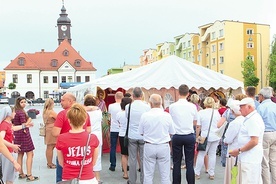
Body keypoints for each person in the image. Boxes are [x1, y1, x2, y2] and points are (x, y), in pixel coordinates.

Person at [52, 92, 91, 183]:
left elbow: (55, 132)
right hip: (81, 147)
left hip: (65, 147)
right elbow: (88, 130)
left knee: (62, 174)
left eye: (62, 100)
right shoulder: (85, 114)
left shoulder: (62, 114)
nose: (61, 102)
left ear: (70, 101)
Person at [56, 103, 99, 184]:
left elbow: (61, 162)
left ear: (69, 121)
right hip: (88, 178)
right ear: (84, 121)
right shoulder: (93, 138)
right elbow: (94, 162)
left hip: (68, 179)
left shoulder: (61, 138)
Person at [139, 94, 175, 184]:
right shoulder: (167, 116)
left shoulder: (145, 115)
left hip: (149, 145)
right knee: (165, 175)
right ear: (161, 103)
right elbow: (172, 132)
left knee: (148, 175)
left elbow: (141, 132)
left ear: (150, 103)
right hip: (163, 145)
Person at [230, 97, 264, 184]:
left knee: (249, 180)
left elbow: (254, 141)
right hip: (249, 158)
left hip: (250, 158)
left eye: (242, 107)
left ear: (249, 107)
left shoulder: (253, 120)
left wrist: (239, 150)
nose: (240, 109)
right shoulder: (251, 118)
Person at [169, 84, 198, 184]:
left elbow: (171, 120)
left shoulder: (172, 106)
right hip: (189, 135)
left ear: (178, 92)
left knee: (176, 162)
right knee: (189, 163)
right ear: (188, 94)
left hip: (177, 135)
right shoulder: (192, 106)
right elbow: (195, 122)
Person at [125, 87, 150, 184]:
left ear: (133, 95)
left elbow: (127, 118)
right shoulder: (147, 106)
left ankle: (132, 180)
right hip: (143, 135)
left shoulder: (128, 106)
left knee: (132, 159)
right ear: (141, 95)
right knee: (144, 159)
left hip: (132, 134)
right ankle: (143, 180)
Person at [12, 96, 39, 182]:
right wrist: (29, 120)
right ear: (18, 103)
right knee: (30, 154)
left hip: (17, 134)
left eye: (24, 102)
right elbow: (25, 125)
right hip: (24, 134)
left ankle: (21, 173)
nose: (24, 104)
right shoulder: (21, 113)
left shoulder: (15, 111)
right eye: (22, 102)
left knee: (20, 154)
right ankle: (29, 175)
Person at [0, 106, 28, 184]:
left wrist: (24, 126)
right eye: (14, 112)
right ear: (9, 113)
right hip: (6, 153)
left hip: (9, 151)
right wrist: (12, 146)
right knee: (9, 177)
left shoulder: (8, 123)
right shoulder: (4, 125)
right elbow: (1, 140)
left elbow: (13, 128)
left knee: (10, 175)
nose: (15, 113)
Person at [194, 97, 221, 180]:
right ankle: (211, 173)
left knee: (201, 154)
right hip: (215, 136)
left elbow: (198, 126)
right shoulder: (216, 113)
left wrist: (197, 137)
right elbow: (219, 125)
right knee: (212, 155)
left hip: (204, 136)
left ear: (205, 103)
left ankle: (197, 172)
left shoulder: (201, 113)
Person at [257, 87, 276, 184]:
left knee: (265, 162)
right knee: (274, 161)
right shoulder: (275, 105)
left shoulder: (261, 107)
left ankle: (266, 182)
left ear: (262, 96)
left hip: (266, 134)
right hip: (275, 133)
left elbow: (258, 123)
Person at [223, 98, 245, 184]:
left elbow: (228, 139)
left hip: (233, 151)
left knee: (233, 176)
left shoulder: (234, 123)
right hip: (242, 151)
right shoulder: (245, 120)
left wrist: (225, 140)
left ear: (232, 111)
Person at [83, 94, 103, 183]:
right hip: (97, 136)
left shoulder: (83, 112)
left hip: (86, 135)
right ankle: (97, 178)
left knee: (85, 156)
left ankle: (87, 176)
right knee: (97, 157)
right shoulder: (98, 111)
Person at [116, 97, 132, 180]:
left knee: (124, 154)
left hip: (122, 134)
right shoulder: (131, 113)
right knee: (133, 155)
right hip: (131, 134)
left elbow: (119, 123)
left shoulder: (119, 114)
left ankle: (125, 173)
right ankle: (133, 173)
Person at [108, 91, 124, 171]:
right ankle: (124, 165)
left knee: (113, 147)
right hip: (122, 128)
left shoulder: (111, 106)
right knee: (123, 148)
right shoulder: (125, 106)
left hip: (113, 128)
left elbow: (109, 117)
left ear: (115, 97)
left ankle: (113, 165)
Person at [43, 98, 57, 169]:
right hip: (52, 129)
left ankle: (49, 162)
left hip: (47, 128)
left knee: (49, 147)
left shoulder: (45, 111)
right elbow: (58, 118)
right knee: (51, 147)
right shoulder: (51, 112)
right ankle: (50, 163)